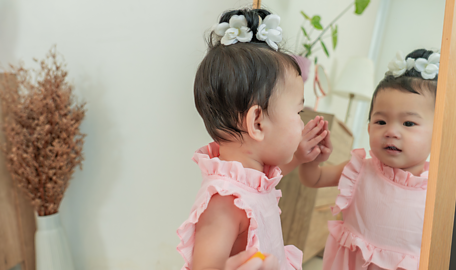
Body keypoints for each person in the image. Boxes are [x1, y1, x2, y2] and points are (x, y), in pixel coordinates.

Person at [176, 7, 330, 270]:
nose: (301, 121)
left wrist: (300, 156)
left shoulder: (249, 180)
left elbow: (265, 185)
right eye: (298, 111)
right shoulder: (225, 203)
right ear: (257, 122)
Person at [299, 49, 439, 270]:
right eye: (381, 121)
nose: (391, 131)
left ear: (437, 133)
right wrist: (311, 160)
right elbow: (313, 179)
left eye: (408, 124)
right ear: (368, 126)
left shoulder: (437, 193)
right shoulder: (360, 170)